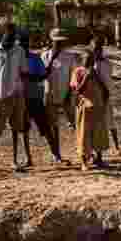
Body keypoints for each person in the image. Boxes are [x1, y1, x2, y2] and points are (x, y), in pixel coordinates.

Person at [0, 23, 29, 173]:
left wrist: (23, 95)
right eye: (7, 33)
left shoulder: (19, 51)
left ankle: (14, 161)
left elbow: (23, 73)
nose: (10, 36)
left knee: (15, 128)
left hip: (16, 94)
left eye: (12, 33)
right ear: (3, 34)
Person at [19, 32, 63, 165]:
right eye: (23, 44)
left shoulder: (34, 58)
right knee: (24, 129)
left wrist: (27, 77)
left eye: (26, 44)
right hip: (22, 97)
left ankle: (56, 155)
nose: (24, 47)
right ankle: (29, 158)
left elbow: (43, 75)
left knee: (45, 127)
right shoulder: (18, 59)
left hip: (35, 97)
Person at [69, 48, 111, 171]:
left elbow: (105, 89)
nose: (89, 61)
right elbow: (77, 91)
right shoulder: (77, 72)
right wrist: (87, 77)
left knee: (98, 133)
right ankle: (84, 161)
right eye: (87, 59)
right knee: (83, 135)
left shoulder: (95, 72)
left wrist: (104, 102)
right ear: (82, 60)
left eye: (91, 59)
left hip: (97, 107)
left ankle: (99, 158)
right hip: (84, 108)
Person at [41, 29, 78, 159]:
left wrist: (70, 93)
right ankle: (57, 154)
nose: (59, 44)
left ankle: (84, 149)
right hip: (50, 94)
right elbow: (43, 74)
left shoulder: (69, 57)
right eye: (57, 42)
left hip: (67, 94)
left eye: (61, 42)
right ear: (52, 41)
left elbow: (74, 75)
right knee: (54, 125)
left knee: (75, 123)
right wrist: (52, 59)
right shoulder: (45, 56)